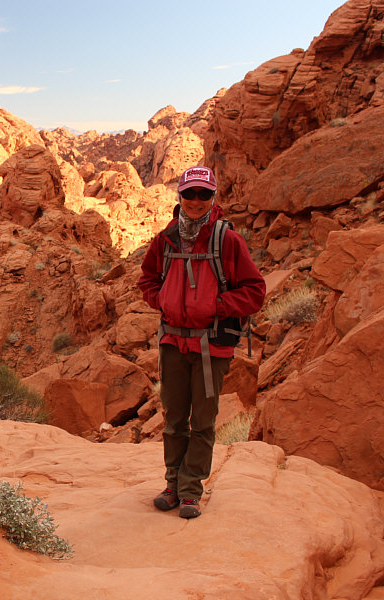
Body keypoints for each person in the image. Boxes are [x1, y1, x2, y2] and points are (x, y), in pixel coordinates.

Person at [137, 165, 265, 519]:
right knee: (174, 419)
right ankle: (172, 485)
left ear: (213, 197)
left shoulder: (227, 241)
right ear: (179, 195)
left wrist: (216, 306)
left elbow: (255, 291)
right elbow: (147, 279)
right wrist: (162, 300)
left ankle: (191, 489)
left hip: (212, 346)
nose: (196, 201)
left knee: (203, 421)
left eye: (203, 194)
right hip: (172, 343)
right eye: (189, 194)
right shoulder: (165, 240)